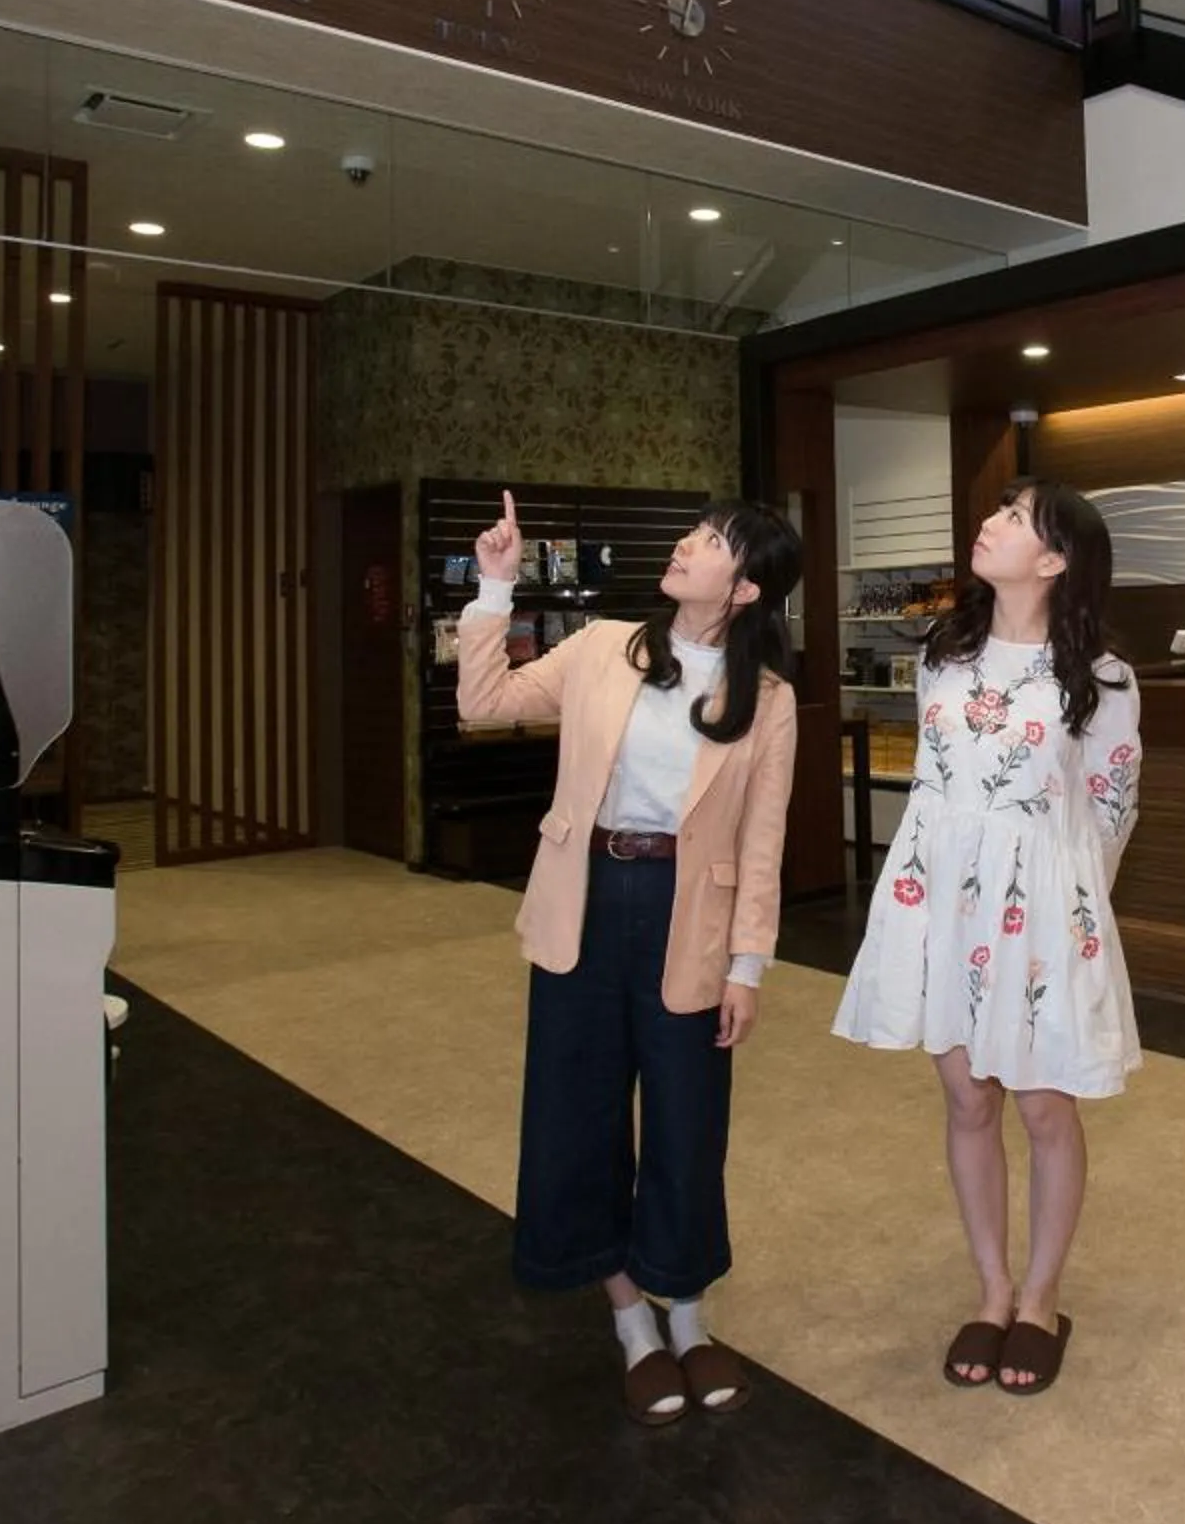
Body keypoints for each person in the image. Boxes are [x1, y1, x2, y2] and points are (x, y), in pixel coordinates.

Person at [455, 492, 803, 1427]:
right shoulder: (605, 645)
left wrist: (749, 966)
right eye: (693, 532)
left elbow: (762, 844)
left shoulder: (769, 700)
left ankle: (686, 1316)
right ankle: (629, 1324)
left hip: (689, 913)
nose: (686, 546)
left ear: (745, 587)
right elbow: (483, 702)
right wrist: (495, 584)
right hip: (588, 899)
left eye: (712, 542)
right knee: (579, 1109)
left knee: (687, 1121)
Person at [833, 479, 1141, 1398]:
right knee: (968, 1100)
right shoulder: (942, 651)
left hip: (1043, 910)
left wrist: (1074, 925)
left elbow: (1113, 808)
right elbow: (934, 784)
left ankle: (1043, 1298)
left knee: (1045, 1109)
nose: (991, 522)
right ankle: (993, 1288)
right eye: (997, 510)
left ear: (1055, 560)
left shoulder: (1104, 678)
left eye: (1015, 518)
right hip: (944, 902)